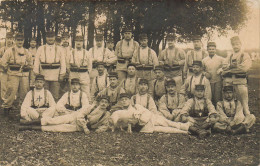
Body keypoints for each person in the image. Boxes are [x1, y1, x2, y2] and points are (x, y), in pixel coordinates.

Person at [18, 78, 90, 132]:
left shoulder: (83, 95)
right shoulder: (67, 94)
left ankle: (30, 127)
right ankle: (28, 124)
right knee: (54, 121)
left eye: (77, 85)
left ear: (80, 86)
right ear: (71, 85)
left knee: (59, 128)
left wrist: (80, 116)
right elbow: (59, 105)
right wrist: (64, 111)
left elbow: (86, 107)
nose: (75, 86)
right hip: (68, 114)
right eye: (73, 84)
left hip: (78, 117)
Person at [114, 93, 190, 134]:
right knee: (165, 130)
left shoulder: (136, 106)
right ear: (120, 102)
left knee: (169, 123)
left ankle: (186, 127)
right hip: (144, 127)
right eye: (122, 100)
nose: (124, 101)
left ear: (129, 101)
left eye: (126, 99)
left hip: (152, 119)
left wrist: (139, 116)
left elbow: (146, 113)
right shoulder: (121, 112)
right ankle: (184, 132)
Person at [221, 36, 253, 126]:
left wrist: (230, 69)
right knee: (232, 102)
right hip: (230, 83)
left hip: (240, 82)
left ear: (241, 44)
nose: (235, 46)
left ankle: (247, 123)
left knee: (243, 103)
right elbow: (224, 66)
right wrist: (232, 67)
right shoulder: (230, 56)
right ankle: (236, 121)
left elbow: (244, 68)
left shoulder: (244, 55)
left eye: (237, 44)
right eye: (234, 44)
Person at [1, 32, 33, 118]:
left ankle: (23, 109)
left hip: (24, 75)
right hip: (13, 74)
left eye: (21, 40)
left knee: (24, 92)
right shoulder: (10, 51)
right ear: (15, 40)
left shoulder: (26, 51)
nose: (20, 42)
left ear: (24, 41)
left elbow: (31, 63)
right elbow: (3, 62)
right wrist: (8, 69)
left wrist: (27, 66)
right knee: (11, 91)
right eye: (18, 40)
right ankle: (6, 108)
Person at [33, 30, 66, 101]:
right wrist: (37, 74)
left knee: (55, 95)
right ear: (45, 38)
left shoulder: (60, 49)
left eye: (52, 37)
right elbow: (36, 62)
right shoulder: (40, 48)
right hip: (43, 75)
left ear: (54, 38)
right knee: (44, 95)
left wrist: (62, 74)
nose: (50, 39)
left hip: (55, 76)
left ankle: (54, 111)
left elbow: (63, 62)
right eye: (48, 37)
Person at [202, 42, 226, 106]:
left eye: (213, 49)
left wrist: (221, 69)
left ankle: (218, 109)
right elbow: (201, 70)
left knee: (217, 97)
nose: (211, 51)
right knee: (209, 96)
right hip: (208, 81)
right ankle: (210, 110)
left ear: (215, 50)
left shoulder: (220, 59)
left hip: (218, 80)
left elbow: (226, 65)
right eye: (210, 49)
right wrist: (205, 73)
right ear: (207, 50)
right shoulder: (204, 60)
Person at [69, 35, 92, 101]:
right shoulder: (70, 52)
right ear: (75, 42)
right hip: (74, 74)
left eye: (80, 41)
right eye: (77, 41)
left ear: (83, 42)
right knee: (73, 92)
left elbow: (90, 66)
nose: (79, 43)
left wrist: (86, 73)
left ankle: (87, 107)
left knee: (86, 93)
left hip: (84, 75)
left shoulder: (87, 53)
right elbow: (67, 65)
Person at [0, 32, 14, 103]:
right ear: (6, 39)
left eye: (10, 39)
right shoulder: (2, 49)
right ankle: (4, 101)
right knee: (3, 87)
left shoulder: (15, 49)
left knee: (12, 86)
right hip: (4, 70)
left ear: (13, 39)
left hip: (13, 71)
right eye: (8, 38)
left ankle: (11, 101)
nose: (9, 40)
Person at [60, 32, 72, 97]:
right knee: (60, 87)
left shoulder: (72, 49)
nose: (65, 40)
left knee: (69, 87)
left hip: (69, 70)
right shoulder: (59, 48)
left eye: (66, 39)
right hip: (61, 70)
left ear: (69, 39)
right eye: (63, 39)